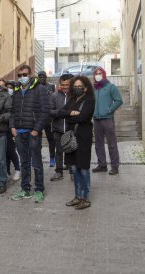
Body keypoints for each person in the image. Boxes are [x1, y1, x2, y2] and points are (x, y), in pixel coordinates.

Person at [10, 65, 50, 203]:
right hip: (19, 132)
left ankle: (39, 190)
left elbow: (45, 112)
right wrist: (12, 127)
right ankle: (25, 189)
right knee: (24, 162)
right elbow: (12, 111)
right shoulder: (16, 90)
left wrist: (36, 130)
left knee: (37, 163)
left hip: (33, 132)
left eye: (24, 74)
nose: (22, 78)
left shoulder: (40, 89)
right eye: (19, 75)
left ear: (30, 74)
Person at [58, 76, 95, 210]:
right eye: (76, 86)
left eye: (80, 86)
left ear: (85, 88)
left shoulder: (89, 100)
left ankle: (85, 198)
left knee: (83, 168)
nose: (77, 88)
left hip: (83, 137)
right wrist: (71, 113)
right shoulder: (72, 99)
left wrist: (70, 118)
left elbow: (84, 117)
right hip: (71, 138)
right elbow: (61, 113)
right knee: (73, 168)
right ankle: (77, 196)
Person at [91, 67, 123, 175]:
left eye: (100, 73)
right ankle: (102, 165)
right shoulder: (94, 88)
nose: (98, 75)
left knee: (112, 144)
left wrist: (110, 110)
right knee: (98, 144)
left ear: (104, 75)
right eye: (96, 74)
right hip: (96, 120)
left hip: (108, 119)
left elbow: (119, 100)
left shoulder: (111, 87)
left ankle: (114, 166)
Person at [50, 73, 74, 181]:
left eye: (67, 85)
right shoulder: (54, 96)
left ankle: (73, 171)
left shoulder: (74, 96)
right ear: (60, 84)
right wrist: (61, 113)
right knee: (58, 151)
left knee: (71, 150)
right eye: (63, 84)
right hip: (57, 128)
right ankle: (58, 172)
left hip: (70, 128)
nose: (65, 87)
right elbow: (50, 111)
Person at [37, 71, 56, 167]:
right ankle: (37, 158)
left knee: (51, 139)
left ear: (46, 77)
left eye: (43, 76)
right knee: (37, 139)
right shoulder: (35, 87)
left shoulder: (51, 86)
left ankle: (52, 158)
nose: (41, 78)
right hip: (39, 117)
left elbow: (53, 99)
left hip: (48, 117)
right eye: (40, 76)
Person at [4, 80, 21, 181]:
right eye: (7, 88)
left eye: (11, 87)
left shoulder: (16, 99)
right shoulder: (3, 98)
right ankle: (6, 171)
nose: (9, 90)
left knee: (11, 150)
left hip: (13, 128)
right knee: (5, 151)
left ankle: (17, 169)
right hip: (3, 127)